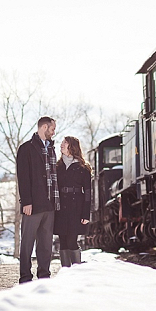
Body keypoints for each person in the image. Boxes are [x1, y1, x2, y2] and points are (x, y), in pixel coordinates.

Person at [16, 116, 58, 283]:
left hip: (49, 205)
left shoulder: (52, 149)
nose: (54, 132)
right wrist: (26, 201)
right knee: (27, 243)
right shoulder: (26, 148)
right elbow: (23, 177)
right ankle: (25, 276)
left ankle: (44, 276)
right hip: (32, 205)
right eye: (52, 129)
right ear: (44, 127)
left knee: (46, 245)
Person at [54, 136, 92, 267]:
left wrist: (86, 214)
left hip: (76, 207)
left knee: (71, 240)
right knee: (63, 241)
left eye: (65, 143)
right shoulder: (57, 166)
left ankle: (76, 270)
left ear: (72, 146)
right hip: (60, 208)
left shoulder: (83, 167)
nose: (61, 145)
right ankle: (65, 271)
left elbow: (87, 192)